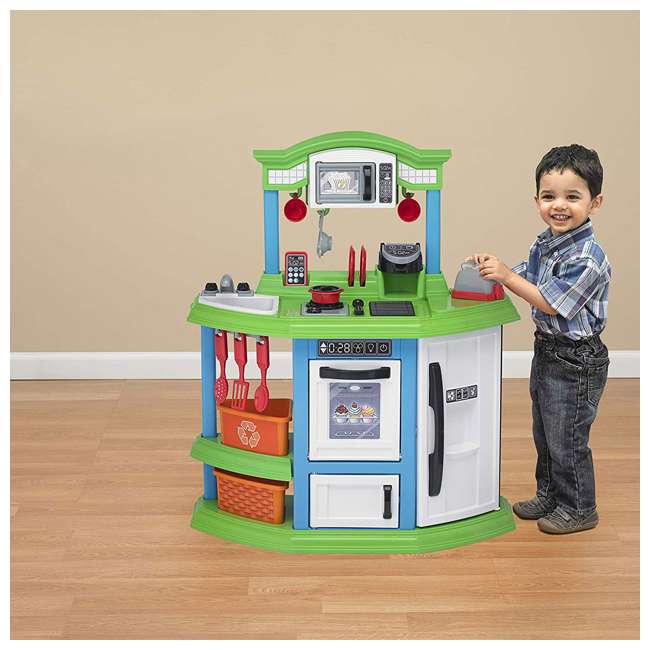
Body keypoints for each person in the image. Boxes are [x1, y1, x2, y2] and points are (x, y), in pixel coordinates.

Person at [469, 144, 611, 534]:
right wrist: (494, 269)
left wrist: (506, 277)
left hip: (577, 359)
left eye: (572, 197)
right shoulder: (545, 244)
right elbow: (526, 275)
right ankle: (550, 494)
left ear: (595, 202)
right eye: (549, 196)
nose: (559, 206)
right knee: (546, 432)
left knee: (567, 437)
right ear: (537, 201)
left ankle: (580, 507)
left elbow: (551, 302)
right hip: (547, 351)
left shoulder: (587, 258)